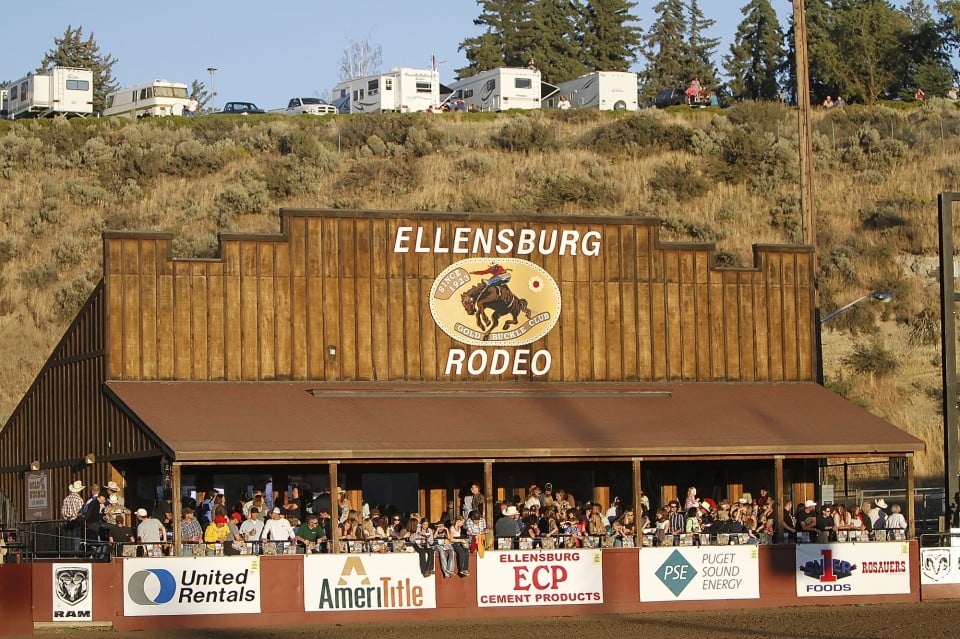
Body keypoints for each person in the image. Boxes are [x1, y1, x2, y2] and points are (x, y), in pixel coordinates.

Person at [61, 480, 85, 552]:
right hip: (76, 521)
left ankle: (69, 553)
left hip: (67, 521)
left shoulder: (66, 499)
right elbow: (81, 512)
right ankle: (76, 553)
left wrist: (67, 517)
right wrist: (76, 516)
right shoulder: (79, 499)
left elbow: (63, 512)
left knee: (69, 538)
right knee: (76, 537)